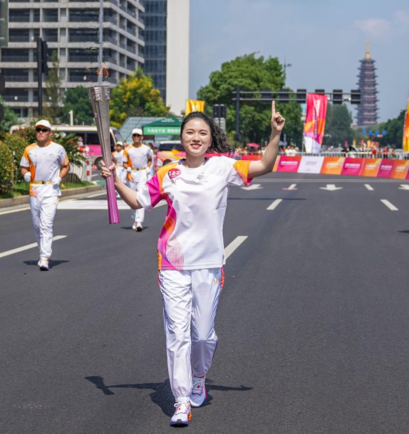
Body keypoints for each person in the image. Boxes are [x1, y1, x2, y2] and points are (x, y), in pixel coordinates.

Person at [101, 102, 285, 427]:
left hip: (209, 264)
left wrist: (275, 133)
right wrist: (115, 179)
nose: (196, 137)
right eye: (190, 132)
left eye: (202, 133)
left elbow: (265, 165)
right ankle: (182, 400)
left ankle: (199, 374)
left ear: (210, 138)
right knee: (177, 335)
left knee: (202, 336)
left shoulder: (223, 167)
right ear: (182, 137)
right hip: (172, 263)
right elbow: (137, 201)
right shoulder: (167, 172)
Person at [20, 120, 70, 271]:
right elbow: (23, 167)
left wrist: (59, 178)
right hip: (35, 188)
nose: (40, 132)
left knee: (46, 224)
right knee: (37, 226)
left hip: (50, 188)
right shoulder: (29, 149)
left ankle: (44, 257)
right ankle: (42, 253)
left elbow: (66, 165)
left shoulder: (58, 149)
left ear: (49, 132)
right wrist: (26, 174)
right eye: (38, 130)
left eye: (43, 130)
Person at [123, 128, 153, 231]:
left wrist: (148, 167)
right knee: (133, 197)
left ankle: (139, 221)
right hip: (132, 174)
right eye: (134, 135)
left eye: (138, 135)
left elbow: (150, 159)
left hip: (142, 173)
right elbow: (124, 162)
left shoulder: (146, 149)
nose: (136, 137)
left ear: (141, 137)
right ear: (132, 137)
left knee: (141, 196)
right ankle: (135, 219)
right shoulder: (127, 149)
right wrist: (127, 167)